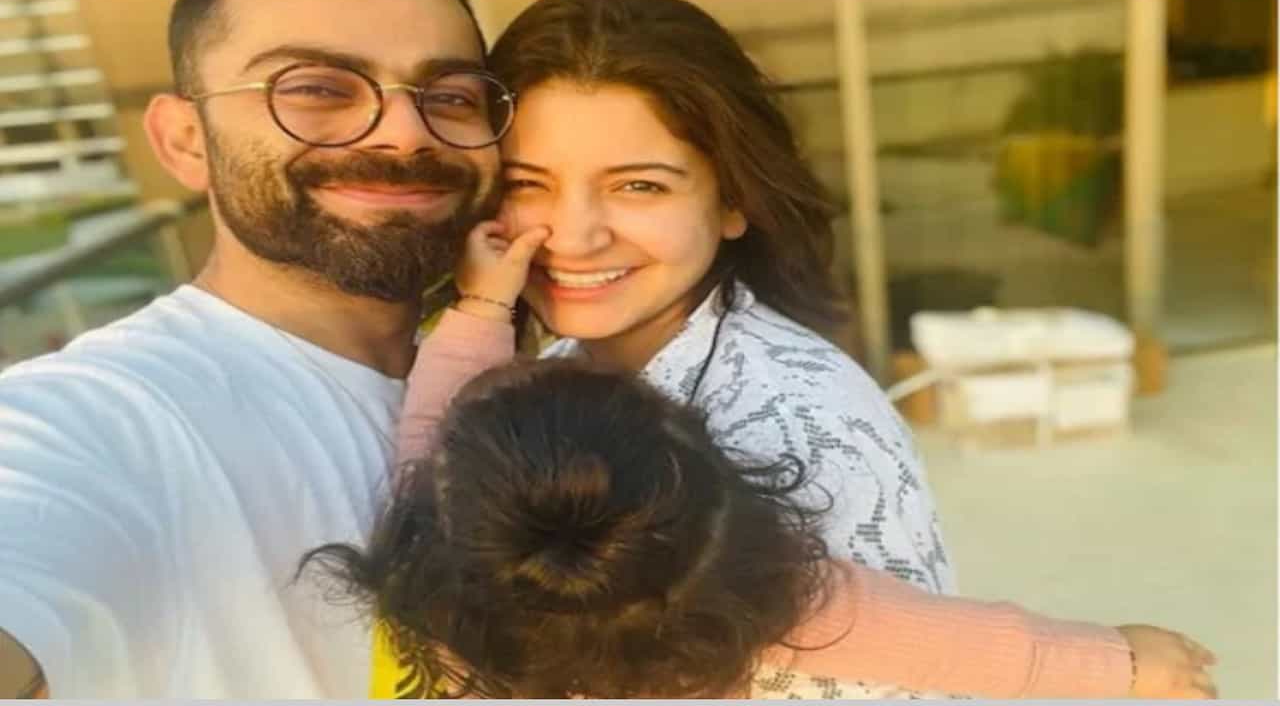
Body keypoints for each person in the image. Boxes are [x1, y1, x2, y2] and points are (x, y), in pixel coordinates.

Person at [381, 0, 1218, 699]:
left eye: (638, 185)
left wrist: (1102, 663)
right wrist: (479, 310)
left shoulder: (789, 426)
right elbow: (432, 476)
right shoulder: (558, 373)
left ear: (733, 200)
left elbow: (870, 633)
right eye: (528, 184)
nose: (574, 235)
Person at [312, 220, 1218, 699]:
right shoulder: (780, 602)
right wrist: (1130, 663)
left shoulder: (441, 581)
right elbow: (979, 650)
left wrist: (480, 307)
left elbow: (427, 428)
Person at [0, 0, 509, 698]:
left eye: (451, 97)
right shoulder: (95, 419)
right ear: (186, 140)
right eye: (317, 88)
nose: (405, 134)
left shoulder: (530, 364)